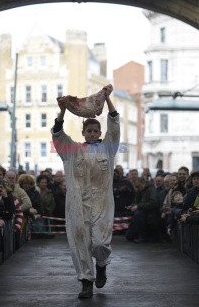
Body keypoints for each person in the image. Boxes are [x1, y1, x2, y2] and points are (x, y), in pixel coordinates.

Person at [51, 84, 119, 299]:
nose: (91, 134)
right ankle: (86, 281)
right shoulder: (72, 151)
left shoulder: (108, 148)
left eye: (95, 131)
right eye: (88, 131)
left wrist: (107, 99)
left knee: (100, 242)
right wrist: (62, 110)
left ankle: (101, 265)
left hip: (102, 203)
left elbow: (115, 126)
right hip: (77, 203)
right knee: (79, 242)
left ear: (99, 133)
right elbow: (58, 134)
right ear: (83, 133)